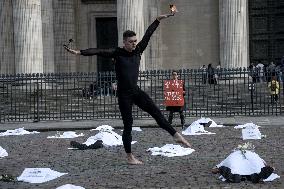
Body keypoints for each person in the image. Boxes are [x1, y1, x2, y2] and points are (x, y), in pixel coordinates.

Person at [64, 13, 191, 165]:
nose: (134, 44)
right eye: (131, 42)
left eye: (135, 41)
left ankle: (175, 135)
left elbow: (148, 34)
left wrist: (158, 19)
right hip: (124, 95)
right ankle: (130, 157)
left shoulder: (138, 50)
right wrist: (79, 52)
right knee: (128, 125)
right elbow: (98, 51)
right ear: (124, 42)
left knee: (156, 112)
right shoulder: (117, 53)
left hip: (136, 91)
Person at [211, 149, 276, 183]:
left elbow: (223, 162)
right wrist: (268, 167)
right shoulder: (253, 155)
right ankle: (257, 176)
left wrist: (217, 168)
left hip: (235, 166)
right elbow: (264, 163)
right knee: (256, 170)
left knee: (233, 169)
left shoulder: (234, 154)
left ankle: (232, 176)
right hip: (253, 168)